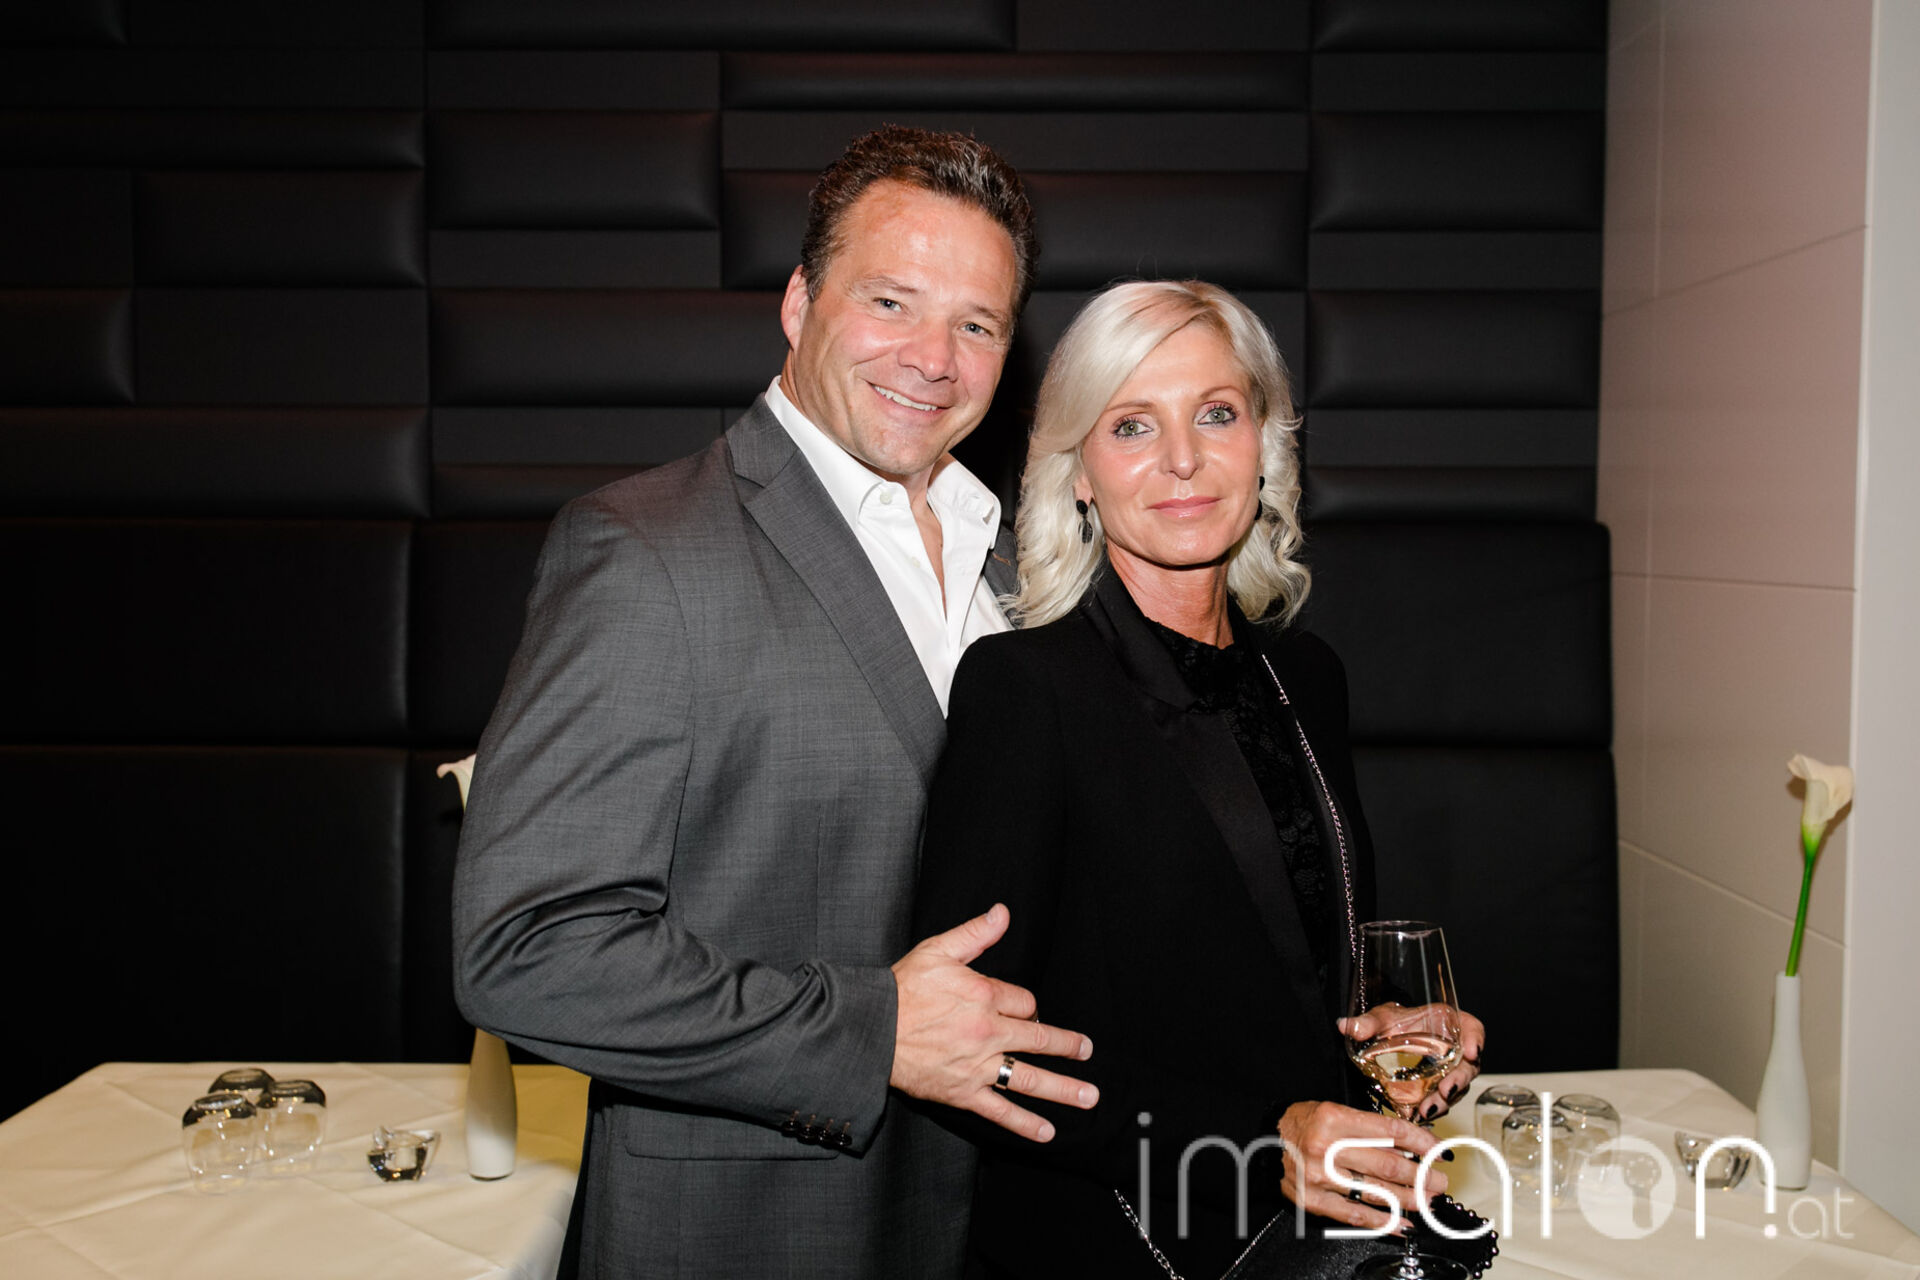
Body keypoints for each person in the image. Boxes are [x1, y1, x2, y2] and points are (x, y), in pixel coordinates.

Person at [450, 126, 1097, 1280]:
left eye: (978, 325)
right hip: (754, 1230)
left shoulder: (1021, 562)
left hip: (998, 1222)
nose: (933, 358)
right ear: (800, 303)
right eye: (891, 301)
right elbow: (528, 949)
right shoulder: (648, 551)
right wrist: (873, 1030)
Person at [914, 280, 1486, 1278]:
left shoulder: (1307, 675)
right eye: (1132, 425)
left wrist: (1384, 1030)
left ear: (1264, 445)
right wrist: (1267, 1143)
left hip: (1316, 1234)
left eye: (1216, 413)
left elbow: (1289, 972)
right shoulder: (1025, 686)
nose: (1183, 458)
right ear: (1079, 473)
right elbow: (983, 1053)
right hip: (1119, 1240)